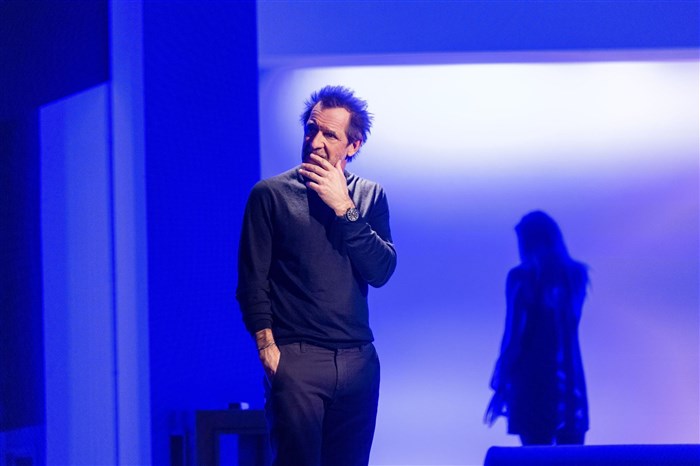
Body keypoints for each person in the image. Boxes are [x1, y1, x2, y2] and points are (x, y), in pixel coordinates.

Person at [236, 85, 397, 466]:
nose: (316, 142)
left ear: (353, 145)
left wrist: (344, 207)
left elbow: (381, 271)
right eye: (312, 130)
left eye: (330, 135)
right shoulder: (270, 195)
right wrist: (269, 351)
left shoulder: (370, 195)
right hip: (298, 359)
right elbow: (252, 282)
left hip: (358, 360)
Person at [485, 211, 589, 446]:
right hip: (572, 389)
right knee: (573, 459)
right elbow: (568, 331)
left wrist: (500, 386)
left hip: (532, 386)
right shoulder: (577, 277)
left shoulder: (521, 278)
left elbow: (514, 337)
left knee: (535, 456)